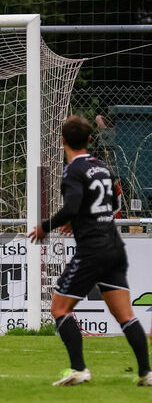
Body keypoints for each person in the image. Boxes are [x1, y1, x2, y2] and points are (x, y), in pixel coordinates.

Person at [28, 115, 150, 386]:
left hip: (92, 251)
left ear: (62, 141)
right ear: (90, 139)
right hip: (113, 247)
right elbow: (113, 204)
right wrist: (79, 218)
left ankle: (79, 369)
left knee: (60, 309)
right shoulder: (102, 168)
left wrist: (45, 227)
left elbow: (72, 206)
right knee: (126, 316)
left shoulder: (73, 170)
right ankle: (146, 373)